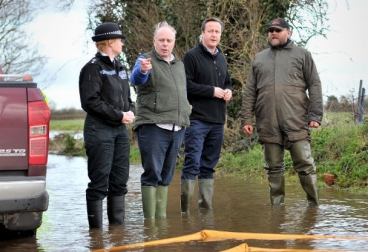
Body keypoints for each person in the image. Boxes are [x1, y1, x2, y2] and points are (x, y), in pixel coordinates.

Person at [241, 18, 323, 206]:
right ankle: (277, 211)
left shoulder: (303, 55)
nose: (273, 33)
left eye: (278, 30)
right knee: (274, 168)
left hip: (296, 120)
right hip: (267, 121)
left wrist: (315, 115)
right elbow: (249, 91)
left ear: (289, 32)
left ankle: (314, 206)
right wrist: (247, 118)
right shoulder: (259, 58)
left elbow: (315, 85)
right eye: (270, 30)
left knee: (305, 164)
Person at [130, 21, 190, 219]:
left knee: (166, 175)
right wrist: (144, 70)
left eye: (169, 40)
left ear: (174, 42)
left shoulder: (179, 65)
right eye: (161, 40)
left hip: (177, 126)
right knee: (152, 174)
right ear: (154, 41)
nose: (165, 44)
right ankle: (150, 225)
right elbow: (136, 78)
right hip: (153, 126)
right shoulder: (145, 60)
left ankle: (161, 221)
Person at [79, 22, 135, 228]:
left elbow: (128, 98)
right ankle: (96, 237)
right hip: (99, 129)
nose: (122, 43)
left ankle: (116, 233)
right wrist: (119, 115)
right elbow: (90, 101)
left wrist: (131, 111)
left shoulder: (121, 68)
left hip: (120, 132)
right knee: (99, 182)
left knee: (120, 180)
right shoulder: (92, 68)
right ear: (111, 41)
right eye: (120, 39)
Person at [180, 17, 232, 214]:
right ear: (202, 33)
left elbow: (227, 82)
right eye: (210, 31)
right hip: (197, 120)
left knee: (209, 165)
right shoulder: (191, 56)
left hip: (218, 121)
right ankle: (185, 213)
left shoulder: (221, 57)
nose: (213, 35)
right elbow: (187, 85)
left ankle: (205, 210)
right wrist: (211, 91)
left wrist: (228, 91)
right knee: (192, 163)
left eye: (217, 32)